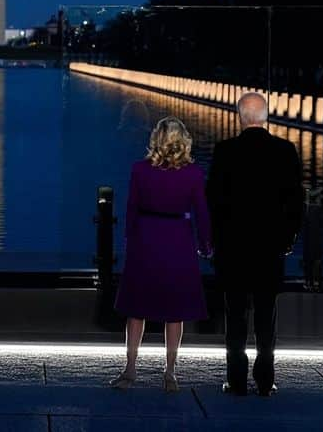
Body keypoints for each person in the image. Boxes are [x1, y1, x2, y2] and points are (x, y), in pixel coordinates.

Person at [206, 92, 303, 397]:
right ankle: (265, 379)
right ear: (265, 117)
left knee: (235, 315)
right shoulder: (285, 151)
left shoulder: (225, 151)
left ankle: (236, 380)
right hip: (269, 248)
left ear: (240, 117)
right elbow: (296, 202)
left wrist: (216, 239)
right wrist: (288, 238)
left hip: (233, 248)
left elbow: (213, 201)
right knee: (266, 314)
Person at [110, 117, 212, 393]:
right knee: (175, 311)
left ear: (156, 138)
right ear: (183, 140)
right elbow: (201, 212)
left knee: (136, 309)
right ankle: (170, 373)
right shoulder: (193, 173)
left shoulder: (140, 170)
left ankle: (130, 369)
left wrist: (129, 240)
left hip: (146, 238)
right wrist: (206, 243)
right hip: (178, 238)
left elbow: (131, 209)